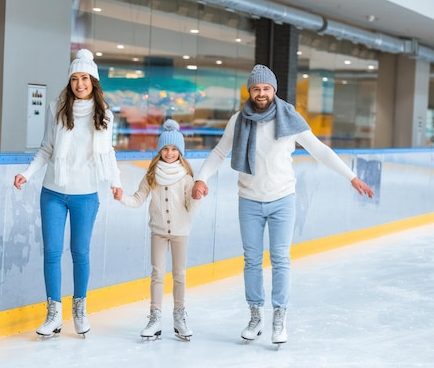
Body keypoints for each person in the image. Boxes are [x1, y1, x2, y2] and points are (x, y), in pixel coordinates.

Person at [191, 64, 374, 345]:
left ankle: (280, 315)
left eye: (266, 88)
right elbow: (218, 152)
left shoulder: (289, 119)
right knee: (252, 260)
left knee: (280, 259)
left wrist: (351, 177)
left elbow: (320, 151)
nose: (261, 93)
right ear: (250, 91)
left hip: (282, 200)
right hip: (249, 200)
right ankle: (255, 316)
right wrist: (201, 178)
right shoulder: (239, 120)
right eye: (256, 88)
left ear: (273, 90)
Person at [14, 49, 122, 337]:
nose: (79, 83)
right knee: (51, 252)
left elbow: (108, 152)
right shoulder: (56, 108)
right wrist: (26, 173)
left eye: (84, 77)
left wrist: (115, 180)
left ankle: (80, 310)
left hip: (85, 194)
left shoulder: (105, 115)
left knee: (80, 253)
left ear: (93, 81)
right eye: (74, 78)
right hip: (53, 192)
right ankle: (53, 314)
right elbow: (47, 149)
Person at [114, 119, 197, 341]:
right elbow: (138, 199)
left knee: (179, 275)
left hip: (180, 232)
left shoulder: (187, 178)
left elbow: (191, 207)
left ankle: (179, 317)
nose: (169, 153)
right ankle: (155, 318)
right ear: (159, 150)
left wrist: (198, 196)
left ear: (180, 152)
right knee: (157, 274)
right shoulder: (151, 176)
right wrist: (122, 197)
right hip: (158, 231)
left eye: (174, 149)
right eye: (165, 149)